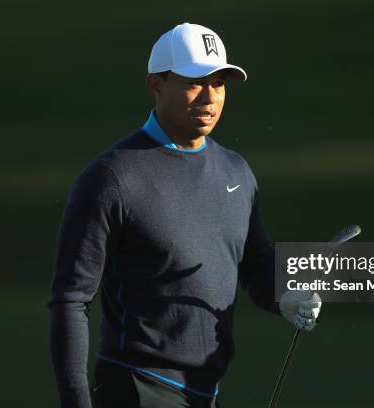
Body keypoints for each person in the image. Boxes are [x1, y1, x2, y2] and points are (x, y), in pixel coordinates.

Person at [48, 22, 321, 408]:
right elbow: (71, 298)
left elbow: (256, 265)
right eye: (195, 83)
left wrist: (286, 294)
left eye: (220, 83)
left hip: (206, 392)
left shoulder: (236, 172)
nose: (209, 98)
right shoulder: (112, 177)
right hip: (138, 389)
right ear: (156, 85)